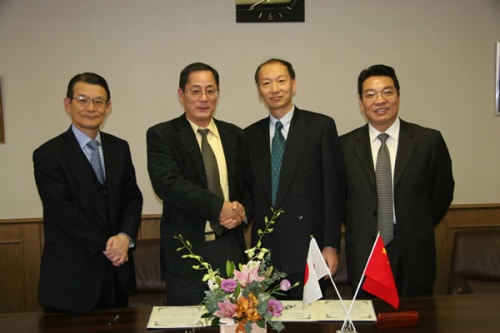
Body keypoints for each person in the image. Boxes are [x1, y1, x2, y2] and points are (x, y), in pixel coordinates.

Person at [340, 64, 455, 297]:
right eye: (370, 94)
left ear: (398, 96)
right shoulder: (343, 146)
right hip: (365, 251)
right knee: (368, 321)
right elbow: (339, 200)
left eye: (387, 92)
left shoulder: (428, 141)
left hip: (414, 250)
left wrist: (416, 224)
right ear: (361, 102)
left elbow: (442, 193)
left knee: (418, 321)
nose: (379, 100)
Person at [33, 72, 143, 312]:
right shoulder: (48, 154)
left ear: (108, 107)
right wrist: (109, 245)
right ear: (68, 103)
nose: (91, 107)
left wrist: (125, 237)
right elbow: (62, 211)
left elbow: (132, 197)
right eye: (83, 100)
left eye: (98, 101)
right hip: (70, 283)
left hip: (115, 277)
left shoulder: (119, 148)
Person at [147, 62, 251, 305]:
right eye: (196, 91)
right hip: (187, 254)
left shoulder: (235, 135)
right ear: (181, 95)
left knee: (235, 324)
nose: (204, 98)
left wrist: (242, 211)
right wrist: (219, 207)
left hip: (230, 249)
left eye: (210, 90)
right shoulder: (162, 134)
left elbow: (249, 187)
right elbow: (168, 184)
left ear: (217, 94)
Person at [245, 58, 345, 299]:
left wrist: (331, 245)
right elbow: (248, 190)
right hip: (266, 251)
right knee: (270, 321)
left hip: (309, 247)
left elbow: (334, 190)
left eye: (281, 80)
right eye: (266, 83)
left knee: (309, 322)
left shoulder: (320, 127)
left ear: (294, 84)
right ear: (259, 91)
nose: (275, 89)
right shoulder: (249, 135)